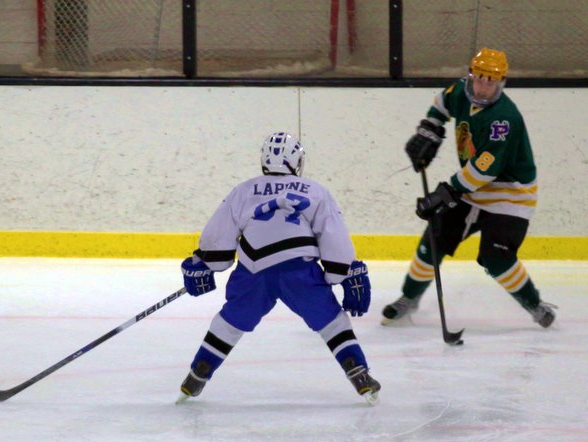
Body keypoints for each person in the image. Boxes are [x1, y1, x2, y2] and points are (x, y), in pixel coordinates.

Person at [177, 132, 380, 405]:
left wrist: (207, 263)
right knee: (333, 322)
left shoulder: (243, 190)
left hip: (252, 272)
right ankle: (358, 373)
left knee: (229, 323)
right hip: (300, 272)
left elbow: (218, 237)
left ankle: (198, 373)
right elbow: (333, 237)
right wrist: (341, 272)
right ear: (296, 160)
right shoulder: (316, 191)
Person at [382, 48, 557, 328]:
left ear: (501, 82)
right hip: (471, 189)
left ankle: (535, 304)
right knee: (434, 239)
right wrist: (430, 129)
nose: (484, 85)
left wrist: (444, 193)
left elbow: (484, 170)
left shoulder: (503, 119)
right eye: (480, 77)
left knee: (495, 258)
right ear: (471, 75)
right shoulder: (461, 91)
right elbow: (442, 102)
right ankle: (409, 298)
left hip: (511, 195)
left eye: (491, 80)